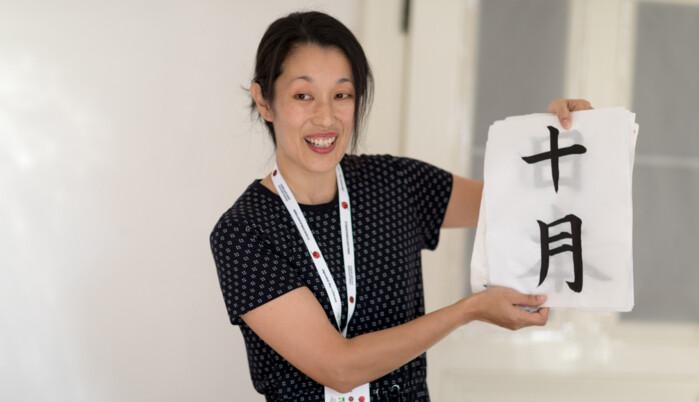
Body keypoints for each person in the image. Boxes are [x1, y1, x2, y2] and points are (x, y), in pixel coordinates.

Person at [210, 11, 592, 402]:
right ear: (265, 101)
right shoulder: (244, 233)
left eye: (342, 95)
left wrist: (556, 139)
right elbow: (338, 368)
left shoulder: (394, 182)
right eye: (303, 96)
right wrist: (469, 310)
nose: (325, 117)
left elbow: (517, 205)